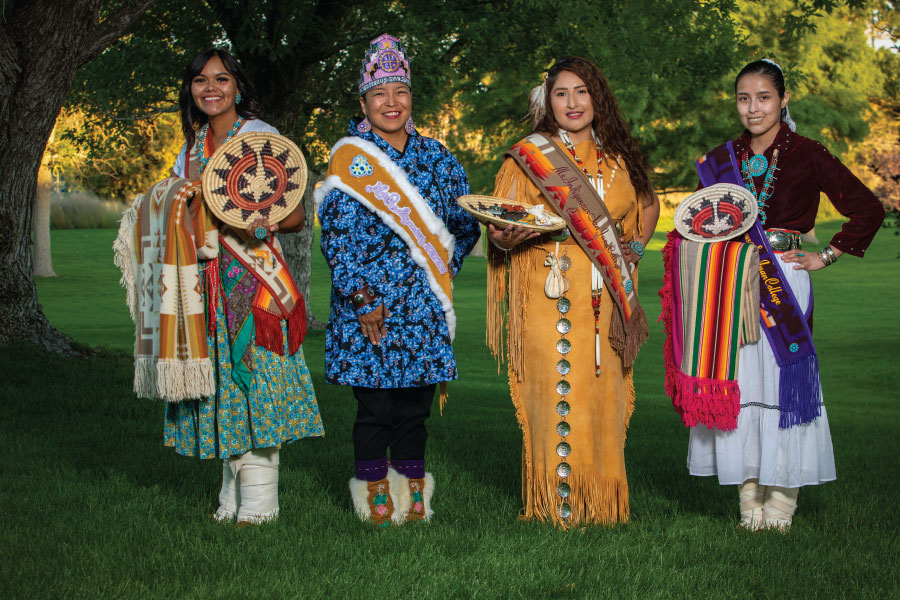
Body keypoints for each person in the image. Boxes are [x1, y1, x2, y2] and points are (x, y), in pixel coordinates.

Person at [680, 59, 884, 530]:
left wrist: (826, 256)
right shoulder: (720, 159)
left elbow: (866, 208)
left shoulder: (808, 153)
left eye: (764, 97)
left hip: (783, 282)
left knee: (784, 386)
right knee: (745, 384)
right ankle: (749, 502)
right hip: (731, 285)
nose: (753, 108)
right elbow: (696, 223)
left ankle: (782, 505)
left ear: (784, 99)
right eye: (743, 98)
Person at [485, 57, 660, 526]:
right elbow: (501, 226)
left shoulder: (620, 157)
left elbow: (647, 205)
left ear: (596, 96)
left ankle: (602, 504)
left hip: (607, 299)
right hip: (549, 296)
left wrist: (637, 247)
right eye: (561, 93)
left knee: (604, 393)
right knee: (555, 392)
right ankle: (557, 507)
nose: (572, 102)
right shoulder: (529, 157)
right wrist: (504, 238)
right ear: (549, 101)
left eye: (581, 91)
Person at [315, 34, 480, 527]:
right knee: (375, 408)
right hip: (372, 309)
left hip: (423, 305)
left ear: (411, 98)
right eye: (380, 93)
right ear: (364, 101)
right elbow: (337, 239)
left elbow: (464, 222)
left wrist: (441, 272)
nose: (392, 103)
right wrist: (363, 298)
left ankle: (414, 500)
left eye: (400, 92)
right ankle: (376, 502)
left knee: (414, 410)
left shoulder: (438, 157)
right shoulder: (351, 160)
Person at [165, 48, 324, 524]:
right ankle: (231, 494)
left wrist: (248, 220)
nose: (210, 88)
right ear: (191, 90)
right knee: (220, 386)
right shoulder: (189, 151)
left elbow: (294, 217)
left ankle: (260, 503)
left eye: (221, 78)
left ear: (238, 86)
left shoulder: (260, 136)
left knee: (255, 381)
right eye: (200, 81)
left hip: (255, 284)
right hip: (206, 284)